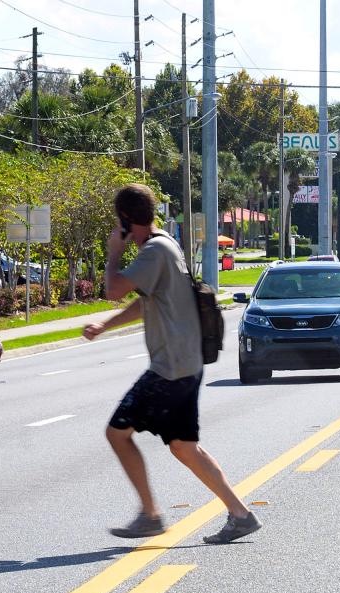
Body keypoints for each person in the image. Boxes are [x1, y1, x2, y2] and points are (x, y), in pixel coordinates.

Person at [83, 183, 261, 545]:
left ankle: (150, 515)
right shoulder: (165, 244)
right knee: (183, 446)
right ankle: (241, 514)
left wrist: (113, 253)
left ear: (125, 220)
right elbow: (145, 300)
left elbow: (114, 288)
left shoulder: (153, 251)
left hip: (170, 368)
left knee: (117, 433)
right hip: (185, 364)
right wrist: (105, 326)